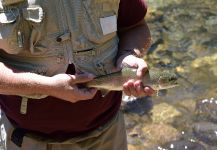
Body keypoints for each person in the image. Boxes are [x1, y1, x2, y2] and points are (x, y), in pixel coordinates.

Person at [0, 0, 154, 149]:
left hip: (107, 131)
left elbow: (135, 27)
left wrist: (128, 55)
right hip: (30, 139)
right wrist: (46, 87)